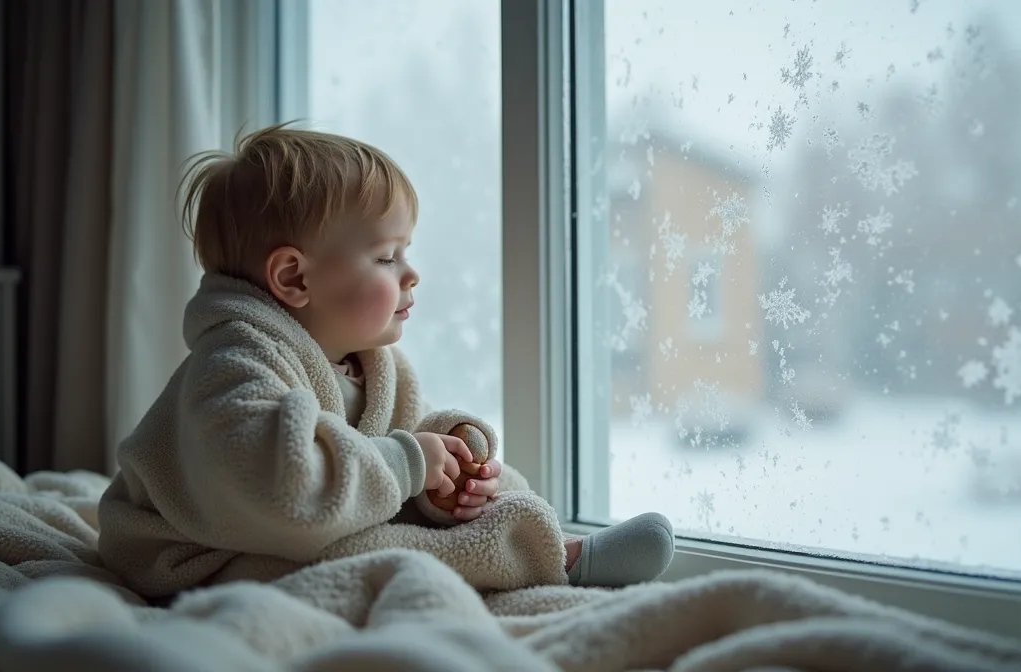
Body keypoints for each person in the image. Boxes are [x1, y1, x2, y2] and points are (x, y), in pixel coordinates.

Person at [97, 124, 675, 599]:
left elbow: (400, 437)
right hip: (193, 553)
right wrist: (405, 462)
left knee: (463, 497)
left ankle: (534, 522)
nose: (411, 273)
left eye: (407, 252)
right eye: (386, 256)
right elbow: (284, 489)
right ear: (294, 277)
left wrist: (446, 464)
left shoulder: (371, 365)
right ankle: (557, 557)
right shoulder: (234, 363)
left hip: (287, 527)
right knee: (366, 553)